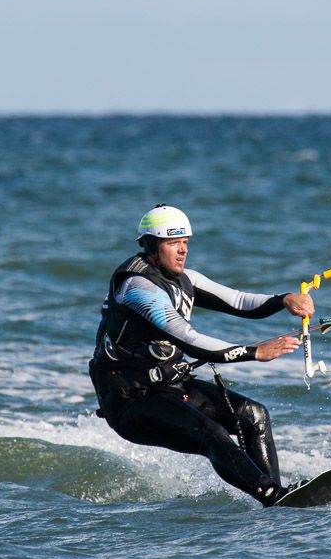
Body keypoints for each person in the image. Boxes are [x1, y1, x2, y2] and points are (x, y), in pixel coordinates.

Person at [88, 204, 314, 507]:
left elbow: (239, 301)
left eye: (185, 242)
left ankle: (276, 496)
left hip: (170, 389)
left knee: (254, 416)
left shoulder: (185, 279)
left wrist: (284, 300)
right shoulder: (137, 286)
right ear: (152, 246)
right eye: (173, 243)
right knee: (212, 434)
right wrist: (254, 352)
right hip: (131, 402)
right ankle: (273, 497)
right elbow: (189, 340)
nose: (182, 250)